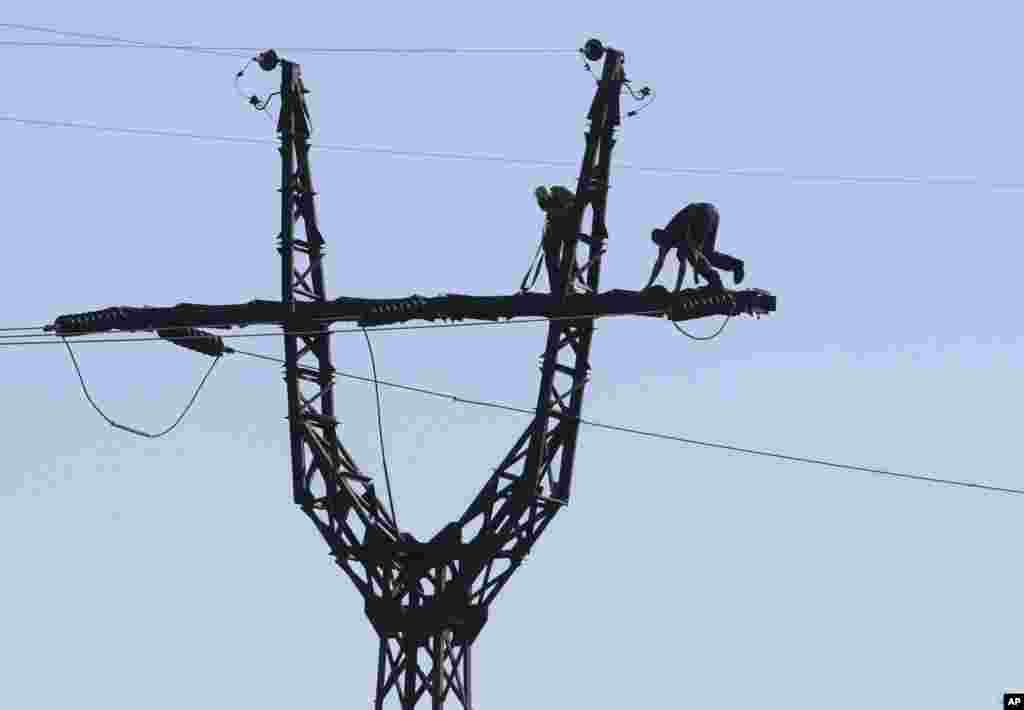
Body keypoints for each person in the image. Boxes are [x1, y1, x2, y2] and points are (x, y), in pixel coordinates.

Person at [644, 202, 744, 292]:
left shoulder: (678, 234)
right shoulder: (664, 242)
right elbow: (659, 265)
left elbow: (689, 259)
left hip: (702, 214)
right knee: (707, 254)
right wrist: (647, 286)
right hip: (712, 211)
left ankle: (715, 283)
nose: (663, 247)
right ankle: (735, 265)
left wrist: (677, 290)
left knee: (691, 252)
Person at [529, 185, 577, 291]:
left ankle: (569, 284)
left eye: (543, 195)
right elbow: (550, 213)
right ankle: (558, 286)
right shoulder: (542, 203)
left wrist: (564, 209)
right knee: (551, 257)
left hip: (567, 225)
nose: (543, 198)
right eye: (540, 197)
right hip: (555, 229)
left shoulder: (557, 191)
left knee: (568, 257)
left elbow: (574, 202)